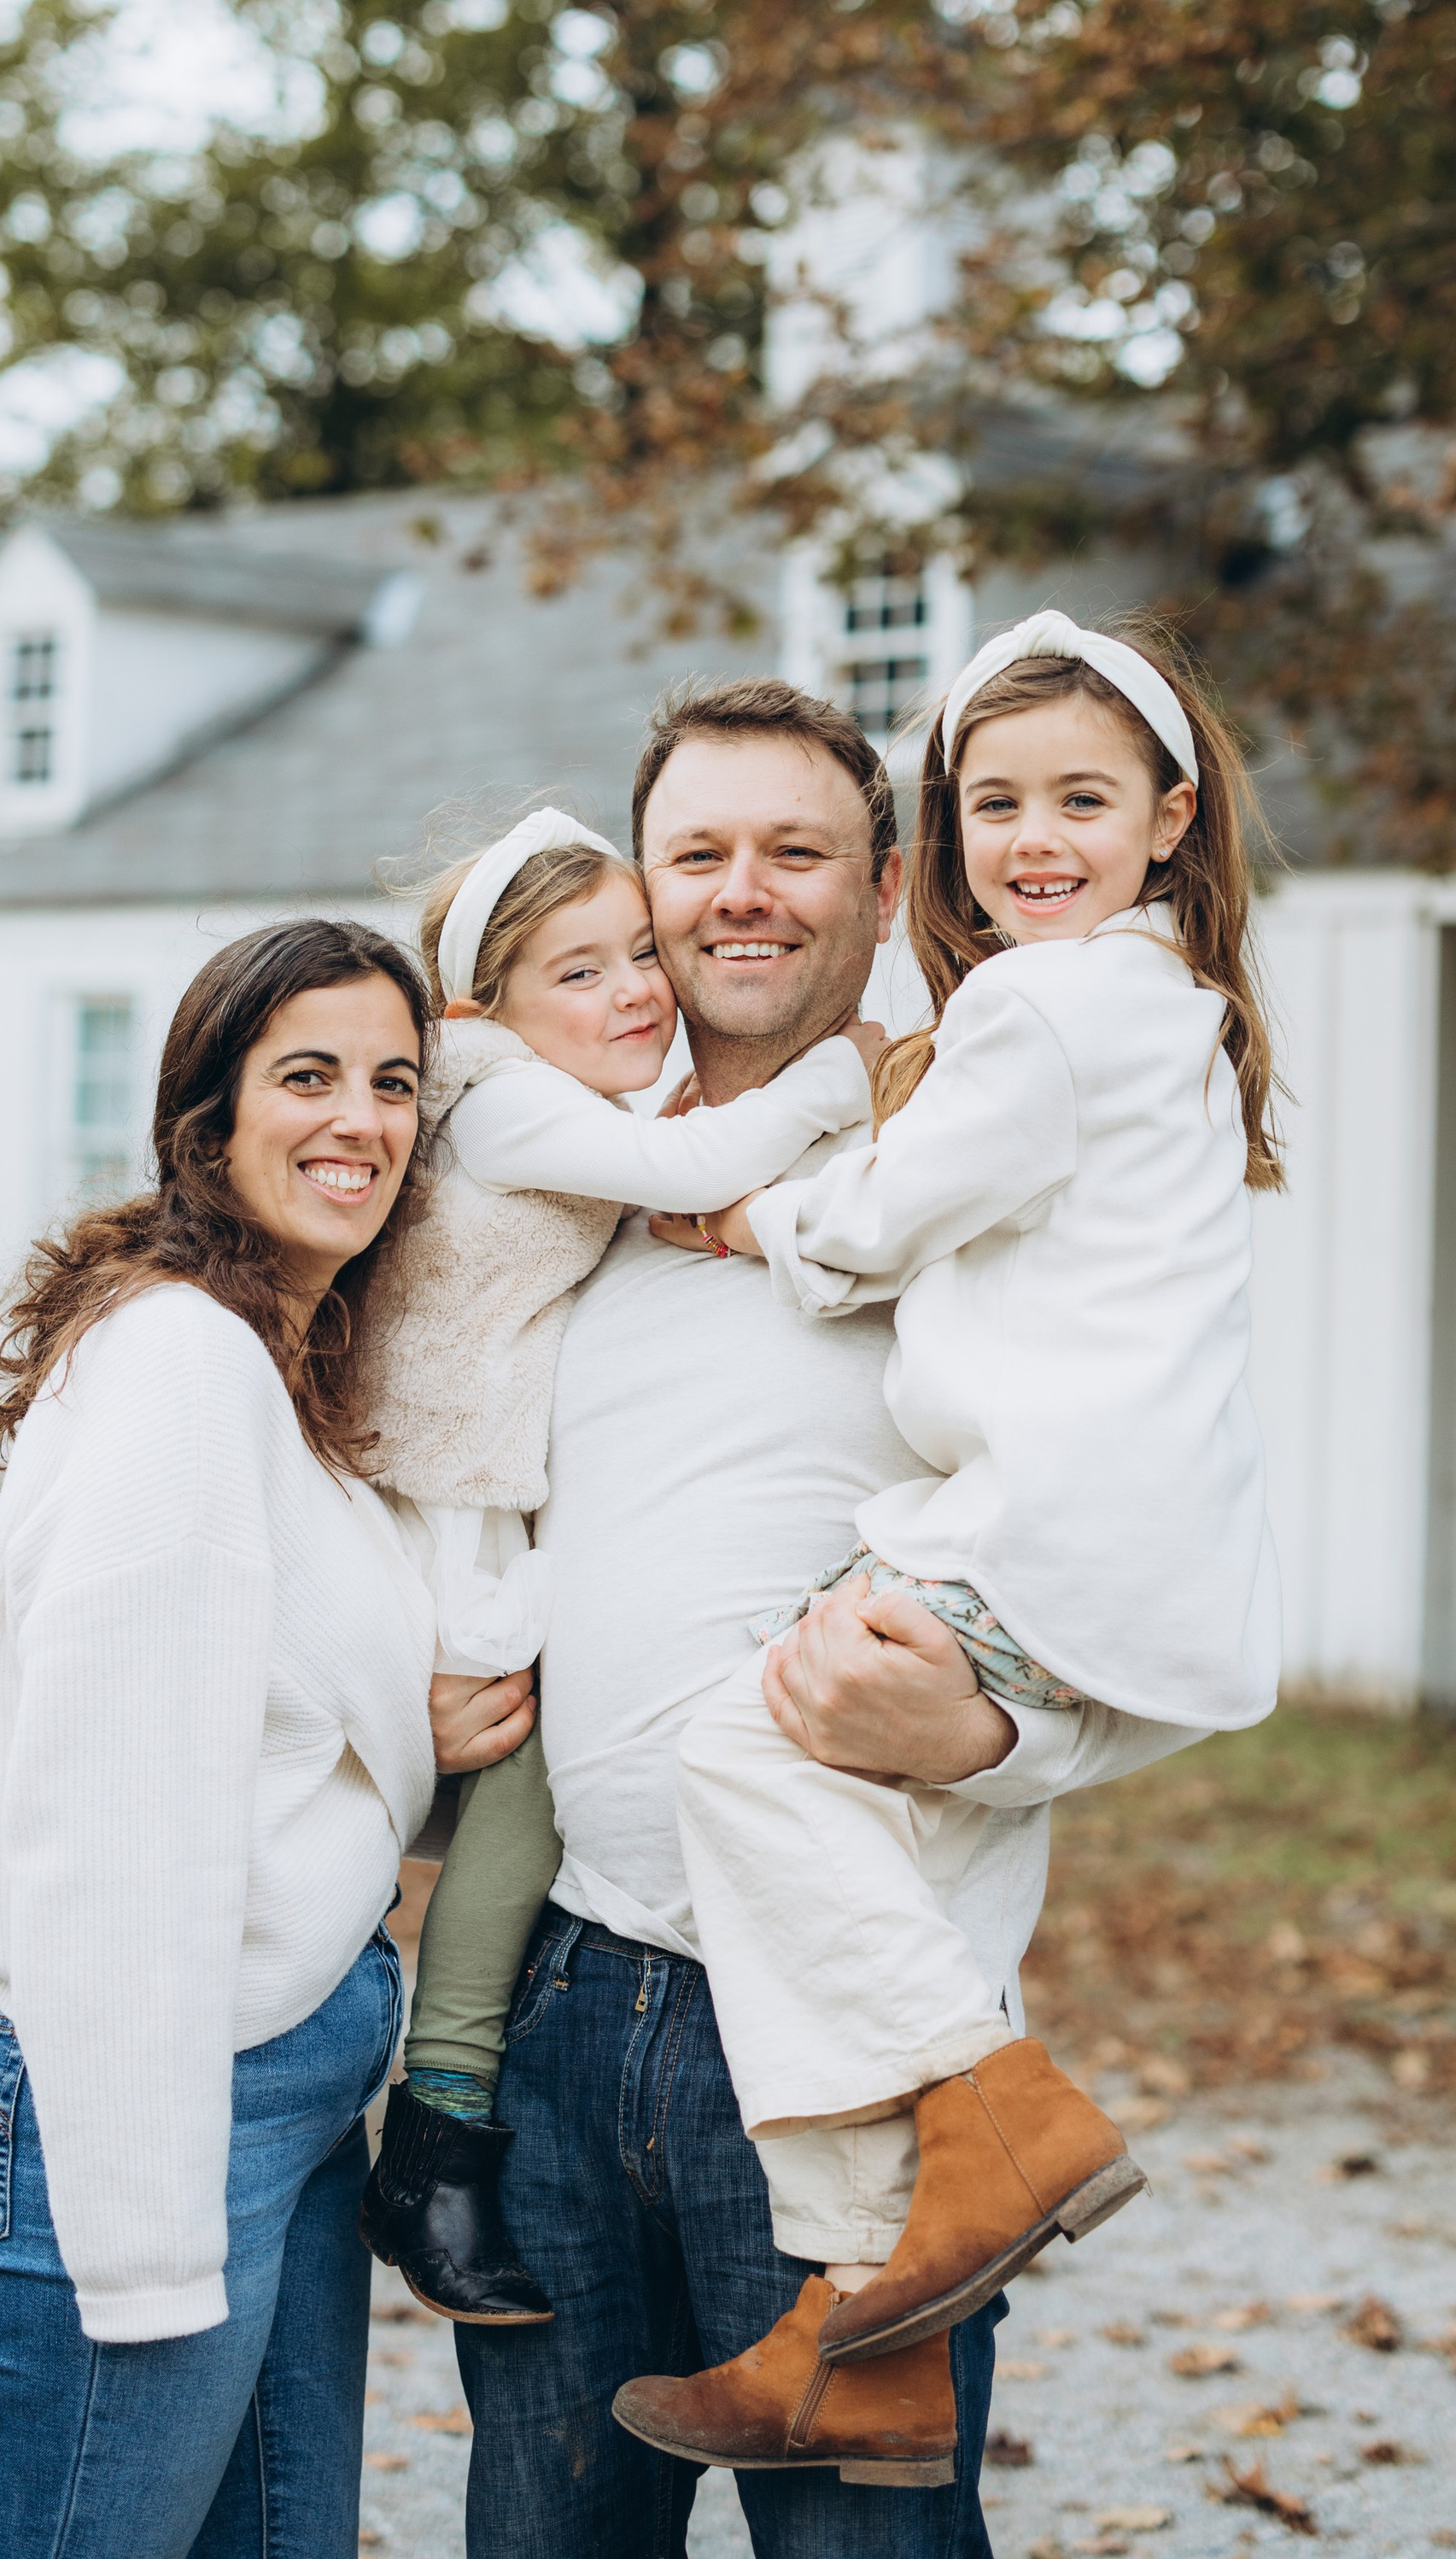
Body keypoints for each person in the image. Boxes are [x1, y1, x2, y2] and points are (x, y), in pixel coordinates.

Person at [456, 678, 1197, 2556]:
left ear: (884, 889)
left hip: (831, 2058)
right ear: (638, 886)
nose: (741, 893)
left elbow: (1136, 1539)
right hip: (557, 1999)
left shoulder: (968, 1158)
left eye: (797, 851)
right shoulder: (566, 1186)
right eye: (695, 852)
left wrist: (1003, 1731)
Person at [611, 610, 1284, 2485]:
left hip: (1035, 1526)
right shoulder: (1168, 1011)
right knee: (829, 1809)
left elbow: (900, 1207)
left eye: (1078, 798)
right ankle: (866, 2344)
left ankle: (1006, 2118)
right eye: (995, 801)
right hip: (1116, 1542)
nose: (1032, 839)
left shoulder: (1043, 1004)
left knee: (746, 1746)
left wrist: (764, 1225)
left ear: (1168, 819)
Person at [0, 917, 525, 2559]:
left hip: (289, 2074)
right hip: (138, 2097)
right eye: (307, 1075)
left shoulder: (271, 1358)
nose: (362, 1119)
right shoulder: (183, 1362)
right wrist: (140, 2246)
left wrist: (401, 1743)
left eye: (398, 1081)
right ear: (211, 1116)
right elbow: (110, 1823)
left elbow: (249, 1718)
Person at [354, 805, 872, 2322]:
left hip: (486, 1480)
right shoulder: (503, 1103)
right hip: (444, 1481)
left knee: (524, 1771)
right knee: (503, 1762)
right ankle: (417, 2115)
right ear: (481, 1013)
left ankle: (431, 2126)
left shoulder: (552, 1090)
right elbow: (700, 1158)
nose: (636, 990)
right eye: (580, 973)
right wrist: (850, 1071)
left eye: (640, 950)